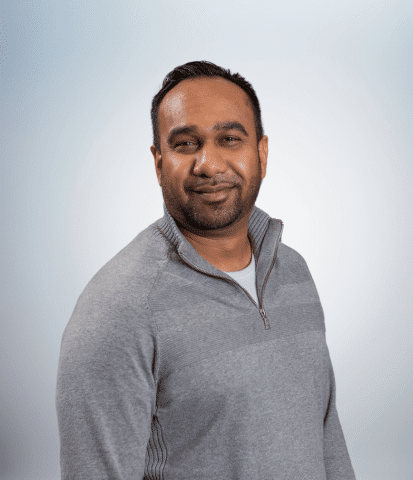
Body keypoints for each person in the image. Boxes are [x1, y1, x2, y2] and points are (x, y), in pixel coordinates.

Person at [56, 60, 356, 480]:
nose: (209, 164)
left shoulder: (293, 271)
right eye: (185, 144)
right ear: (159, 162)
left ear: (261, 153)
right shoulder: (120, 307)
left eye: (230, 139)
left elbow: (325, 433)